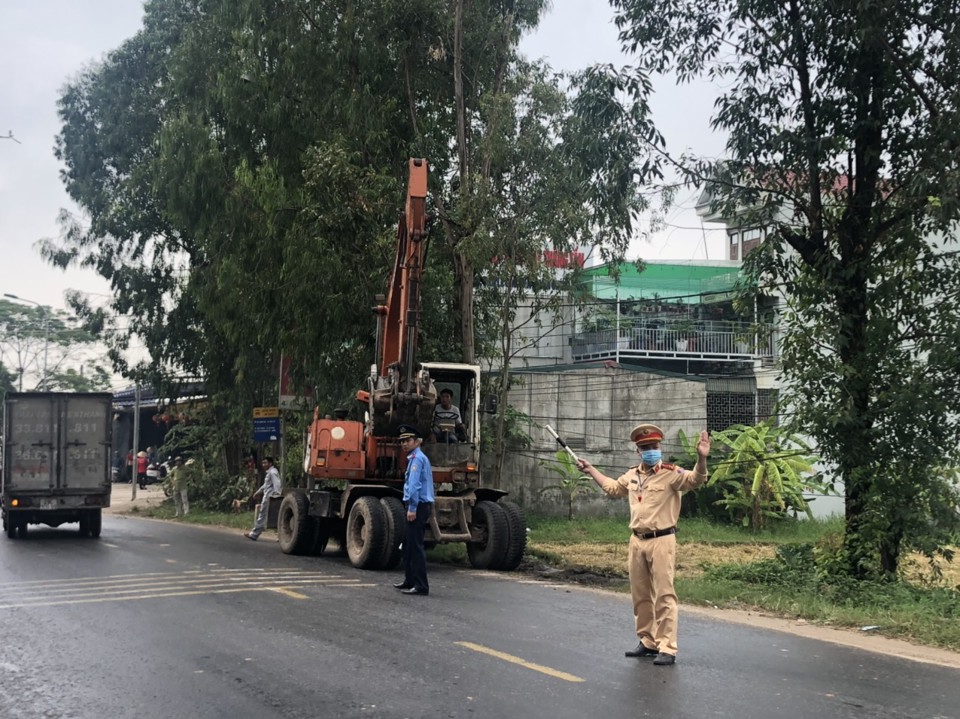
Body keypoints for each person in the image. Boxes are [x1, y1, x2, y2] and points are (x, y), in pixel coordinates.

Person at [577, 423, 711, 666]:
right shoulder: (631, 475)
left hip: (662, 540)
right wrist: (591, 470)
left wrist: (701, 459)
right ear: (638, 451)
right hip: (637, 541)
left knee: (664, 595)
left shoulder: (671, 473)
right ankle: (648, 641)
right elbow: (612, 489)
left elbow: (696, 479)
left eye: (654, 446)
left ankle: (667, 647)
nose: (651, 450)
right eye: (646, 447)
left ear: (660, 447)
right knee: (640, 595)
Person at [392, 425, 435, 596]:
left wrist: (412, 508)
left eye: (407, 440)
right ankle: (409, 580)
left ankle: (421, 585)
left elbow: (415, 486)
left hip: (418, 506)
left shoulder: (417, 459)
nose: (404, 444)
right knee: (408, 545)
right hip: (417, 505)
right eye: (402, 441)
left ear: (416, 442)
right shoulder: (414, 458)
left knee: (415, 547)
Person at [243, 456, 282, 540]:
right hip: (268, 496)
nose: (263, 464)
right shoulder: (270, 472)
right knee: (275, 516)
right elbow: (266, 485)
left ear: (270, 463)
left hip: (269, 497)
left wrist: (276, 495)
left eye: (265, 463)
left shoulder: (272, 472)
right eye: (263, 463)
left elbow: (277, 484)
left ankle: (254, 534)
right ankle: (280, 536)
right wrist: (258, 492)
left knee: (262, 515)